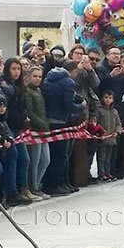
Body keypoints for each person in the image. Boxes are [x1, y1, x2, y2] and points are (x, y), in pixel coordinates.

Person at [41, 59, 87, 195]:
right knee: (62, 155)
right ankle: (57, 184)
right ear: (74, 71)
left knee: (54, 155)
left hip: (49, 119)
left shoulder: (48, 79)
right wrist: (82, 105)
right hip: (61, 120)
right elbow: (69, 105)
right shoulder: (68, 82)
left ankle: (57, 183)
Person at [0, 58, 34, 204]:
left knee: (24, 158)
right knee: (12, 156)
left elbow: (23, 105)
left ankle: (23, 189)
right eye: (13, 69)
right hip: (8, 126)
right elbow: (7, 105)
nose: (16, 72)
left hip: (18, 126)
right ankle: (11, 192)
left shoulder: (20, 87)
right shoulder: (5, 85)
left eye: (18, 69)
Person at [23, 67, 51, 198]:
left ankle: (37, 184)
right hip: (35, 130)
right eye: (35, 76)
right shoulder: (28, 92)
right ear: (29, 77)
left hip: (43, 130)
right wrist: (41, 123)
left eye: (40, 76)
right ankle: (33, 187)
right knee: (35, 161)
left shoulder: (39, 91)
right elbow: (29, 111)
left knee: (45, 160)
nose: (37, 79)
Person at [96, 89, 122, 181]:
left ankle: (108, 172)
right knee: (101, 157)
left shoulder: (114, 111)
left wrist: (117, 132)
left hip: (112, 138)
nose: (108, 100)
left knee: (108, 157)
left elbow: (118, 123)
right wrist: (101, 132)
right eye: (106, 97)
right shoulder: (99, 110)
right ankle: (101, 173)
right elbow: (96, 123)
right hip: (102, 138)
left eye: (110, 98)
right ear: (102, 98)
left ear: (113, 99)